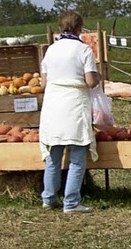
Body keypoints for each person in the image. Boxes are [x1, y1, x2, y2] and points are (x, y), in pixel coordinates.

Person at [38, 10, 100, 213]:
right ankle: (71, 202)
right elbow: (90, 81)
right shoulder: (83, 50)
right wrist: (98, 77)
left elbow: (44, 83)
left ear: (60, 28)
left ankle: (49, 197)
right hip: (73, 103)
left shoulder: (50, 50)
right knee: (77, 154)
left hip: (53, 103)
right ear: (80, 29)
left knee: (54, 155)